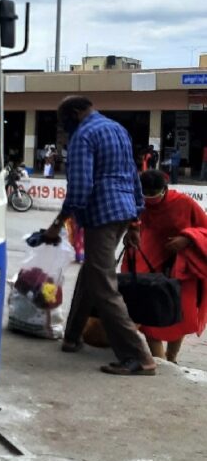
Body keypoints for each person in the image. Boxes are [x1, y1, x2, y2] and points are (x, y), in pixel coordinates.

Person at [43, 95, 156, 375]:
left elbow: (80, 187)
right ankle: (72, 337)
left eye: (64, 120)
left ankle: (139, 357)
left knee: (104, 287)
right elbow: (132, 176)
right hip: (122, 212)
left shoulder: (83, 135)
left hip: (101, 216)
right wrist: (134, 222)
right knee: (92, 273)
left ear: (76, 112)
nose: (64, 126)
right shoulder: (117, 130)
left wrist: (58, 223)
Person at [122, 170, 207, 363]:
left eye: (155, 194)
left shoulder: (184, 203)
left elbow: (205, 228)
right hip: (150, 268)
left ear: (166, 189)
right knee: (149, 314)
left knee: (180, 314)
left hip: (182, 269)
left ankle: (172, 357)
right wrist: (129, 234)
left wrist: (187, 239)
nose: (150, 199)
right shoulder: (137, 204)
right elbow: (132, 228)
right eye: (146, 195)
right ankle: (161, 361)